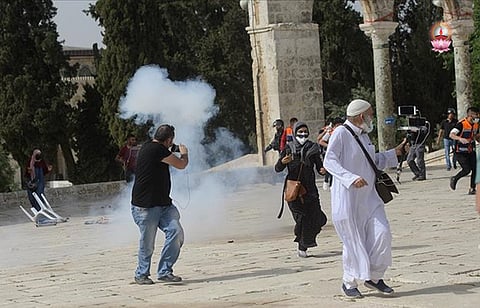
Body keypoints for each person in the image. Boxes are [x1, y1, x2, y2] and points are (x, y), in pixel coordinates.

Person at [323, 99, 406, 298]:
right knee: (354, 242)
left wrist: (394, 153)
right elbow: (329, 160)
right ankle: (349, 282)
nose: (372, 117)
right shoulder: (341, 133)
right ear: (361, 116)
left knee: (382, 234)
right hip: (349, 200)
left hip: (370, 198)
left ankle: (374, 278)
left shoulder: (365, 136)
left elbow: (373, 162)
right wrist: (350, 178)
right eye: (370, 114)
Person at [131, 124, 189, 285]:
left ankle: (165, 271)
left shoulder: (150, 147)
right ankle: (141, 274)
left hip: (163, 204)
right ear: (169, 139)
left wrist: (172, 149)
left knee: (176, 232)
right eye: (171, 141)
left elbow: (166, 154)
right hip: (146, 207)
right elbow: (181, 164)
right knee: (147, 243)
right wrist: (184, 154)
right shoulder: (157, 150)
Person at [275, 121, 327, 258]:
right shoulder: (288, 148)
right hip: (294, 190)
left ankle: (305, 241)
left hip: (310, 189)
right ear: (295, 132)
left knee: (319, 218)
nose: (303, 134)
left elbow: (319, 166)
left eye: (305, 132)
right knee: (302, 218)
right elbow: (277, 168)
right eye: (300, 132)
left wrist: (322, 171)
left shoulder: (313, 148)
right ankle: (302, 244)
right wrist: (282, 162)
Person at [449, 106, 480, 195]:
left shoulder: (476, 125)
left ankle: (472, 188)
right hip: (460, 151)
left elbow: (475, 136)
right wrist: (460, 138)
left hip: (471, 150)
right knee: (467, 170)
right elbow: (451, 134)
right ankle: (455, 178)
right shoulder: (461, 124)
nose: (477, 117)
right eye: (476, 115)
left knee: (475, 169)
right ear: (470, 115)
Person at [318, 117, 343, 190]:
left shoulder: (344, 132)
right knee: (330, 168)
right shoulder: (331, 132)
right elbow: (321, 141)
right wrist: (330, 147)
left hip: (340, 154)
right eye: (338, 125)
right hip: (329, 153)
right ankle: (328, 183)